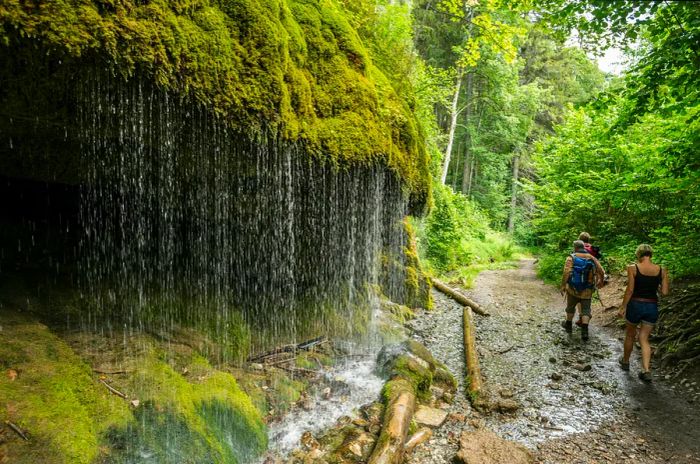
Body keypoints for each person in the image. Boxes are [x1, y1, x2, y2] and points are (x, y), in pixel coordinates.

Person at [618, 244, 669, 382]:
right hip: (651, 306)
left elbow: (629, 290)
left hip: (636, 304)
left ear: (638, 254)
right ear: (650, 254)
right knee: (644, 339)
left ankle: (626, 362)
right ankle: (646, 370)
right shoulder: (662, 270)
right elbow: (664, 292)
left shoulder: (632, 268)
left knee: (630, 334)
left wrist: (623, 307)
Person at [561, 240, 605, 341]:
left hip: (573, 289)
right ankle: (584, 331)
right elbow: (601, 271)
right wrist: (600, 281)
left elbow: (566, 272)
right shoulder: (591, 258)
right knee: (586, 309)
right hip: (587, 289)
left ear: (574, 247)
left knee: (570, 307)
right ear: (583, 247)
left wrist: (563, 285)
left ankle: (568, 324)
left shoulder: (571, 257)